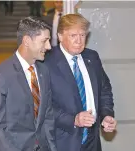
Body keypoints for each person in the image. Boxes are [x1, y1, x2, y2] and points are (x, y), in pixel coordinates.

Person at [44, 13, 117, 151]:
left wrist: (106, 115)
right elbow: (43, 106)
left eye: (82, 35)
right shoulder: (47, 63)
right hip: (63, 142)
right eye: (73, 36)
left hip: (92, 141)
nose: (79, 41)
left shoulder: (92, 57)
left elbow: (104, 90)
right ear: (60, 36)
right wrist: (73, 120)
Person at [0, 16, 57, 151]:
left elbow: (47, 117)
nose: (48, 46)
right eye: (44, 41)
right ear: (27, 41)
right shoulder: (0, 75)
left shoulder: (44, 71)